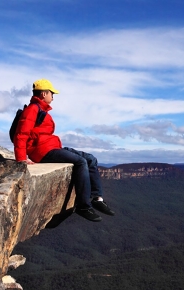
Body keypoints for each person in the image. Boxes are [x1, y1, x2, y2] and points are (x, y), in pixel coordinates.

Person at [13, 79, 114, 222]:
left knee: (91, 159)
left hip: (52, 147)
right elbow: (21, 134)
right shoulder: (32, 110)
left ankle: (97, 198)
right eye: (52, 93)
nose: (53, 97)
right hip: (42, 151)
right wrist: (21, 158)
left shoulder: (41, 110)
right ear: (44, 94)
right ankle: (83, 206)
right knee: (81, 162)